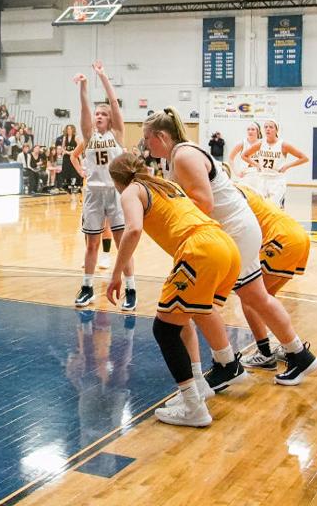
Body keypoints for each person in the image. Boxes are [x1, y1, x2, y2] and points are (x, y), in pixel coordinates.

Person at [143, 107, 317, 389]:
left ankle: (227, 364)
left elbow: (204, 203)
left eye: (147, 138)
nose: (145, 144)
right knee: (256, 297)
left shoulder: (185, 155)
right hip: (240, 229)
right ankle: (299, 353)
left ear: (162, 136)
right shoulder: (177, 157)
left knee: (198, 300)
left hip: (233, 231)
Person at [105, 152, 241, 427]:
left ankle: (193, 407)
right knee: (181, 318)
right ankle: (198, 386)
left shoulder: (131, 191)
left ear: (117, 180)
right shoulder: (166, 184)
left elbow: (132, 230)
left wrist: (116, 273)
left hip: (200, 250)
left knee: (164, 329)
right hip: (224, 245)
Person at [232, 179, 314, 372]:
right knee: (265, 298)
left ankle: (266, 353)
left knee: (249, 295)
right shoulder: (244, 188)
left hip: (281, 238)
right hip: (298, 236)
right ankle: (288, 347)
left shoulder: (232, 195)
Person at [73, 61, 135, 311]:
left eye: (103, 114)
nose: (98, 116)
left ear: (110, 120)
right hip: (93, 194)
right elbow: (84, 113)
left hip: (115, 193)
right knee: (91, 244)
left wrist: (103, 76)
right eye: (97, 114)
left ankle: (131, 288)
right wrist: (84, 87)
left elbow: (115, 104)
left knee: (123, 245)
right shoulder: (89, 137)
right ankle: (87, 287)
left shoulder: (117, 134)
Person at [241, 120, 309, 208]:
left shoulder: (283, 145)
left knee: (275, 208)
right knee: (261, 208)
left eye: (271, 127)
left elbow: (304, 158)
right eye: (266, 127)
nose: (268, 129)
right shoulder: (260, 143)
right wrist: (257, 165)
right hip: (262, 179)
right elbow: (244, 155)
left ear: (276, 130)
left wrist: (287, 166)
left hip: (277, 180)